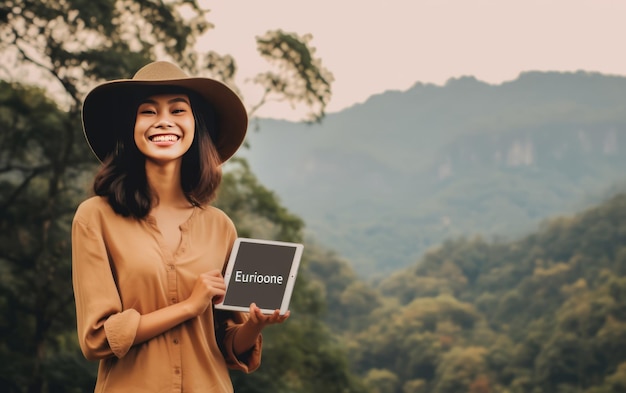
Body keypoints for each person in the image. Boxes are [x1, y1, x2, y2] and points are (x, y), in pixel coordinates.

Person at [72, 61, 289, 392]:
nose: (164, 121)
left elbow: (226, 340)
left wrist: (255, 326)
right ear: (130, 127)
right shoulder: (95, 217)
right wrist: (189, 306)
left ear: (195, 126)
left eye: (178, 110)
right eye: (148, 112)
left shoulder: (220, 227)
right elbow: (97, 338)